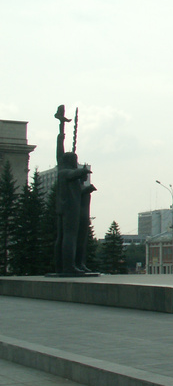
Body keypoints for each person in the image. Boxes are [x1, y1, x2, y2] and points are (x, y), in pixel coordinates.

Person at [54, 105, 92, 274]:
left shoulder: (63, 167)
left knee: (69, 236)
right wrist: (82, 172)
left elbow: (59, 151)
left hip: (69, 208)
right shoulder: (65, 172)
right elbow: (72, 173)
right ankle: (68, 266)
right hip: (69, 209)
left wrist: (61, 127)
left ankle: (71, 264)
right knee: (68, 236)